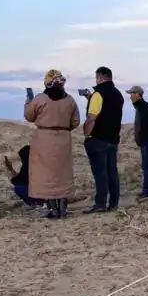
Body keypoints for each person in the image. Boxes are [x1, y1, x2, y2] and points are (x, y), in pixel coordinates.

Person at [24, 69, 80, 219]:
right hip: (63, 139)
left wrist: (28, 101)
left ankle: (52, 209)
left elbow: (29, 116)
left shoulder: (39, 99)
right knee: (63, 173)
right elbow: (75, 122)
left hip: (44, 139)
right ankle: (63, 208)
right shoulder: (70, 100)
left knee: (45, 174)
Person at [82, 66, 124, 213]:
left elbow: (92, 117)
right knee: (112, 172)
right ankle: (114, 203)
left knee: (100, 173)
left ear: (100, 77)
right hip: (113, 139)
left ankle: (100, 203)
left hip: (98, 139)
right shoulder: (118, 95)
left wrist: (87, 134)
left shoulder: (98, 94)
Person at [128, 85, 148, 199]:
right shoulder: (141, 106)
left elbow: (146, 125)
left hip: (146, 140)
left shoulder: (143, 106)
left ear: (137, 94)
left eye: (131, 93)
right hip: (145, 140)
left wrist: (141, 137)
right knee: (146, 166)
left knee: (146, 166)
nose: (130, 96)